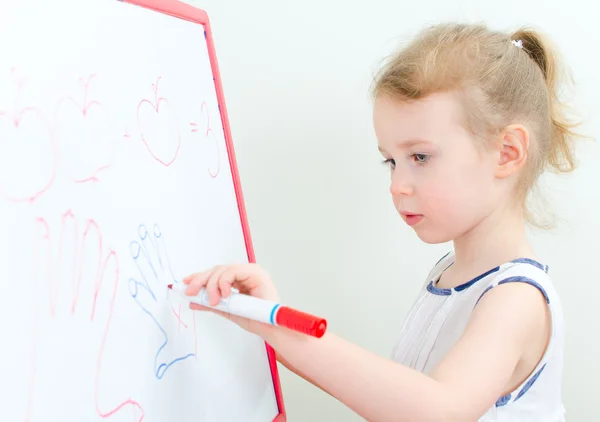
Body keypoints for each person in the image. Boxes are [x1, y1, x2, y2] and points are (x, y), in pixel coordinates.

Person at [183, 23, 582, 421]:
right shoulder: (449, 274)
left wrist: (277, 328)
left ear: (507, 153)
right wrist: (270, 318)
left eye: (420, 158)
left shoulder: (516, 299)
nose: (397, 185)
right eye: (391, 161)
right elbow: (396, 397)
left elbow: (437, 410)